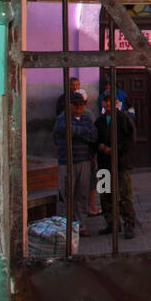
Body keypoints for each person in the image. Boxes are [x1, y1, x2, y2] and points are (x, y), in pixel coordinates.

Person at [54, 91, 98, 236]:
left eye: (81, 104)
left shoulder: (86, 118)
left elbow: (94, 135)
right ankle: (63, 227)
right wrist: (83, 132)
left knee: (81, 195)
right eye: (76, 105)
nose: (79, 107)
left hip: (84, 161)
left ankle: (80, 226)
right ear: (70, 105)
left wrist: (77, 133)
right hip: (67, 162)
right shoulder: (62, 118)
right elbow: (65, 130)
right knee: (66, 195)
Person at [96, 90, 137, 239]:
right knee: (105, 195)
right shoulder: (99, 121)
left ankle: (129, 225)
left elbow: (130, 139)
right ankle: (111, 224)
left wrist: (116, 149)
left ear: (115, 103)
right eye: (105, 101)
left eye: (110, 101)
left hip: (120, 164)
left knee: (124, 195)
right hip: (103, 164)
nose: (107, 103)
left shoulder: (123, 118)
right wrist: (99, 147)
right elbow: (94, 139)